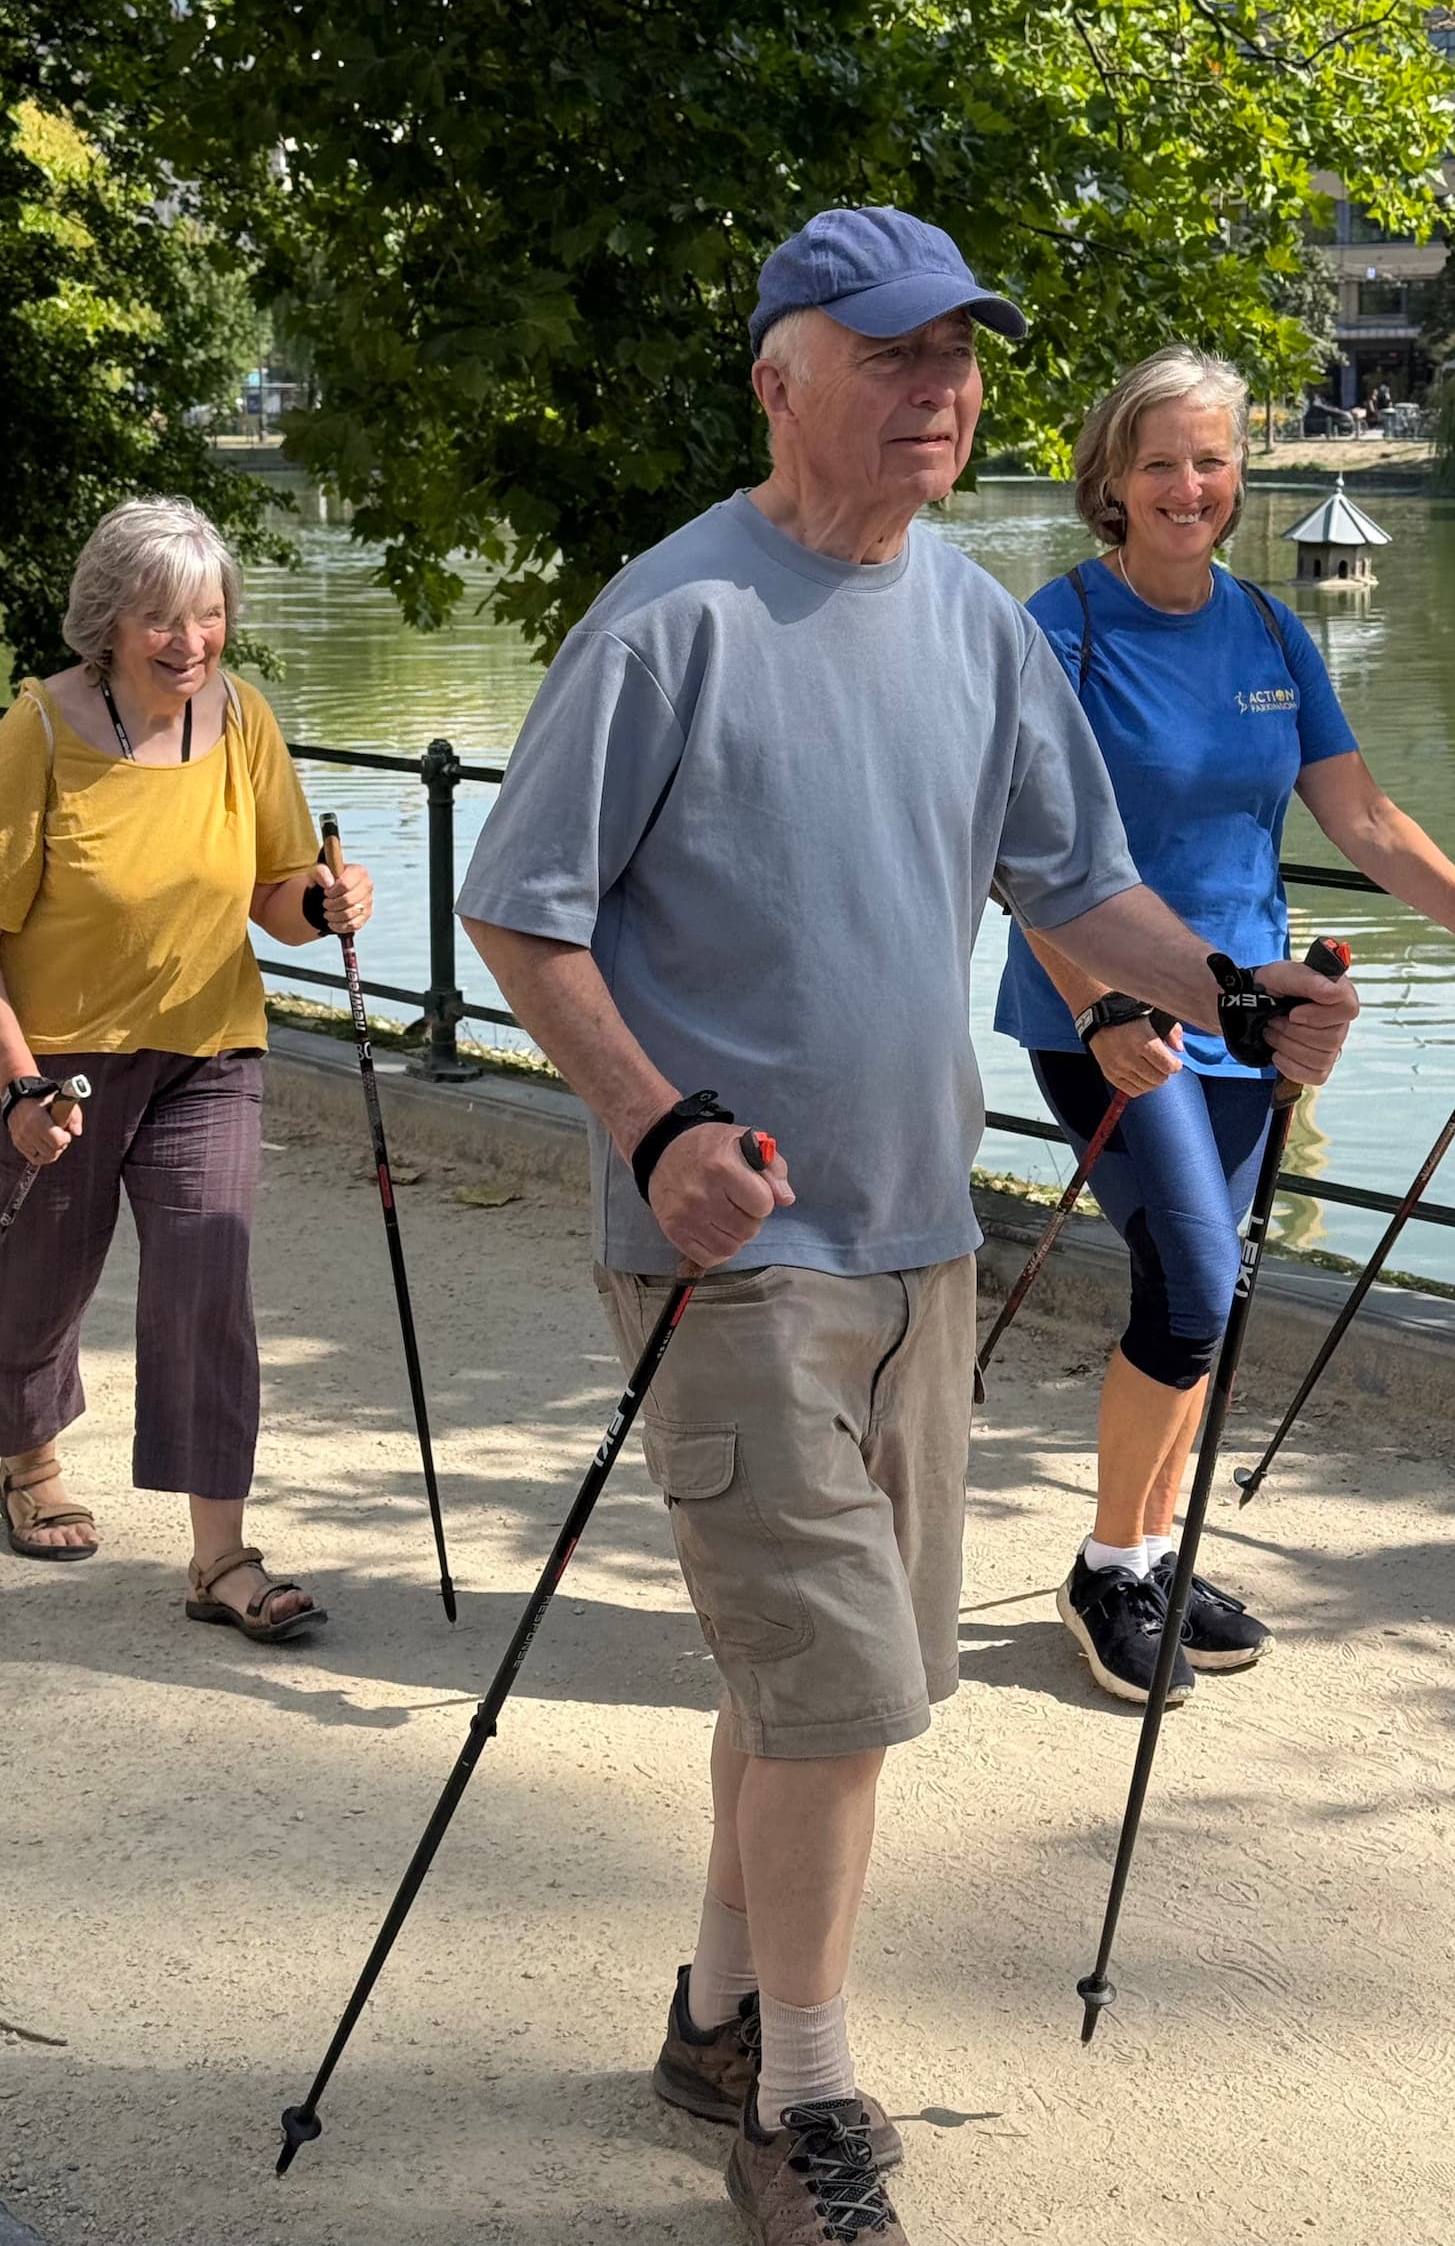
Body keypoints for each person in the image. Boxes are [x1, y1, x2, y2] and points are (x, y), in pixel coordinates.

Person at [458, 211, 1359, 2246]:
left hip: (919, 1236)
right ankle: (804, 2099)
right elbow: (518, 907)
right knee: (848, 1688)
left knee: (811, 1683)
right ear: (780, 378)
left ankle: (715, 2019)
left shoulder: (974, 623)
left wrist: (1234, 995)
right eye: (891, 351)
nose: (939, 385)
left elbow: (1076, 887)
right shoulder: (673, 618)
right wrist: (653, 1122)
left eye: (959, 352)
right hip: (730, 1248)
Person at [996, 344, 1455, 1709]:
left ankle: (1150, 1553)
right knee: (1194, 1284)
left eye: (1211, 459)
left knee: (1213, 1299)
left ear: (1239, 473)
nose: (1188, 485)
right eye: (1159, 462)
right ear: (1110, 480)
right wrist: (1101, 1001)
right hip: (1106, 1020)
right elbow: (1018, 854)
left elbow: (1360, 814)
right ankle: (1105, 1567)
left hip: (1254, 1021)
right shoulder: (1057, 630)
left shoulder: (1268, 631)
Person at [0, 495, 373, 1642]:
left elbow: (276, 897)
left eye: (208, 614)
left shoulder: (245, 719)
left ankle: (220, 1556)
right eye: (162, 618)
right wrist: (17, 1083)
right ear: (109, 624)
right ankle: (30, 1459)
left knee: (204, 1284)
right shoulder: (39, 731)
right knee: (37, 1285)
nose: (191, 641)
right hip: (53, 1064)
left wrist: (326, 903)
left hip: (204, 1053)